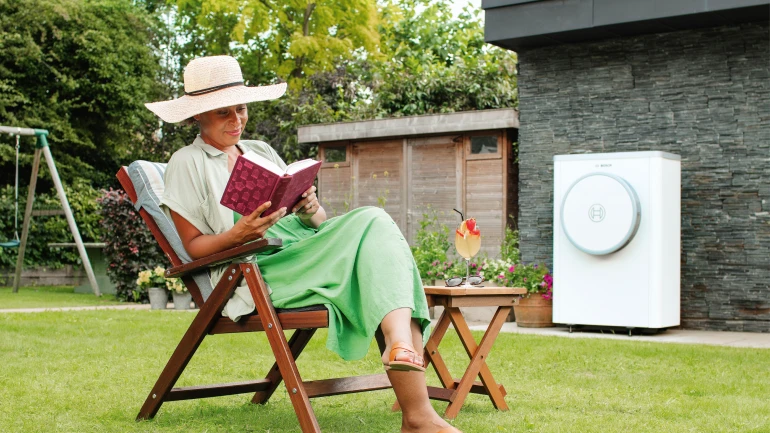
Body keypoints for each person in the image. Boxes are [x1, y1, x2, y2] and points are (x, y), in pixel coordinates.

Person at [146, 55, 461, 433]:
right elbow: (193, 247)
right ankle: (415, 403)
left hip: (301, 248)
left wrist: (309, 206)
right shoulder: (187, 162)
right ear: (196, 116)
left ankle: (405, 367)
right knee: (374, 226)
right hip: (253, 267)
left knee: (375, 226)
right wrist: (240, 234)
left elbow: (319, 224)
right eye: (222, 113)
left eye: (241, 109)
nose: (236, 121)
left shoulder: (259, 151)